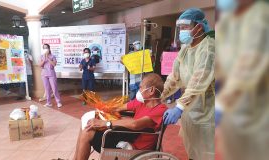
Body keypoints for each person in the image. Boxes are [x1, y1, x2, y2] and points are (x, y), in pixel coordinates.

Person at [216, 0, 269, 160]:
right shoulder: (227, 20)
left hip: (256, 107)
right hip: (230, 109)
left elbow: (250, 63)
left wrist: (222, 103)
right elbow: (217, 60)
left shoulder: (261, 16)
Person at [161, 8, 215, 160]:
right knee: (193, 149)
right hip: (191, 110)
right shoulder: (185, 49)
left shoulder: (209, 48)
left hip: (208, 111)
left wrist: (179, 106)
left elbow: (199, 81)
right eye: (181, 28)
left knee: (208, 150)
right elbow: (174, 76)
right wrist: (161, 94)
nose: (182, 31)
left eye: (185, 27)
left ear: (199, 27)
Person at [73, 73, 167, 160]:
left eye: (140, 88)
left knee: (88, 132)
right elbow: (117, 108)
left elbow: (135, 124)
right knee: (86, 125)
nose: (139, 91)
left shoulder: (160, 109)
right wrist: (103, 109)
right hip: (127, 136)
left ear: (151, 90)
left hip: (133, 147)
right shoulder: (140, 103)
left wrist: (106, 123)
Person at [40, 44, 62, 108]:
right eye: (44, 48)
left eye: (46, 48)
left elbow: (54, 64)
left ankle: (58, 102)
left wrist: (48, 58)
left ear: (49, 48)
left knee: (54, 88)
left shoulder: (53, 56)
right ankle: (48, 102)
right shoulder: (41, 56)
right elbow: (40, 65)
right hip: (44, 74)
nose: (45, 49)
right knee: (47, 89)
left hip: (51, 74)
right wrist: (44, 59)